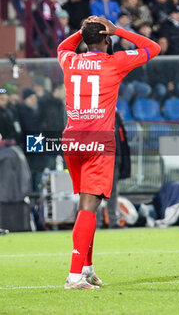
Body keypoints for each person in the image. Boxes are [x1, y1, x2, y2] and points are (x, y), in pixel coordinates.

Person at [57, 15, 161, 289]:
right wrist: (121, 30)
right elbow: (153, 47)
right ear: (106, 38)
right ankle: (74, 276)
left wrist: (81, 32)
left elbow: (62, 48)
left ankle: (87, 268)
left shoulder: (70, 60)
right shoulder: (115, 62)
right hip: (98, 141)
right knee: (89, 206)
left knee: (87, 204)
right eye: (109, 36)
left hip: (72, 140)